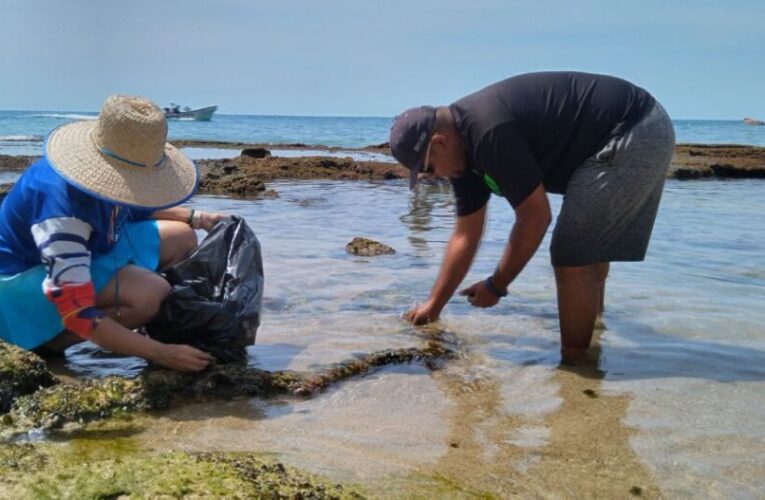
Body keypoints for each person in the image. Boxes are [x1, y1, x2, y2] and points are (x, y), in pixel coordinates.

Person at [390, 71, 675, 360]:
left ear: (439, 143)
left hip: (633, 129)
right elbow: (465, 234)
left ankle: (577, 370)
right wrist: (434, 305)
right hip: (627, 128)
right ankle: (594, 332)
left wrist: (496, 285)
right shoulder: (463, 159)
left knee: (571, 254)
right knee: (586, 247)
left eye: (427, 168)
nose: (433, 177)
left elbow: (535, 218)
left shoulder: (488, 132)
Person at [0, 95, 228, 371]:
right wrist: (160, 353)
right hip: (18, 285)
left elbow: (137, 209)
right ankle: (49, 344)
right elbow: (77, 311)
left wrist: (199, 218)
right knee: (150, 293)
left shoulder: (100, 177)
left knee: (182, 236)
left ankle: (121, 324)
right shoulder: (61, 213)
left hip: (87, 250)